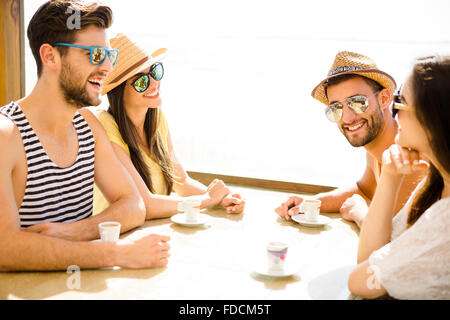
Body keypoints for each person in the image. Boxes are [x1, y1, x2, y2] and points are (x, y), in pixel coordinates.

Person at [0, 0, 169, 271]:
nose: (106, 68)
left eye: (109, 56)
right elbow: (4, 249)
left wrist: (74, 232)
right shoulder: (6, 135)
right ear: (51, 56)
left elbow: (134, 205)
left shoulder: (88, 126)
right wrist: (115, 254)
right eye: (95, 55)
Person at [90, 33, 245, 219]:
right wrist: (207, 200)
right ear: (118, 91)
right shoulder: (106, 126)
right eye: (141, 81)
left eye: (155, 71)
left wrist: (222, 199)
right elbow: (145, 203)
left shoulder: (156, 119)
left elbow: (182, 182)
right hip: (115, 237)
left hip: (150, 233)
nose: (154, 83)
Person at [275, 51, 426, 227]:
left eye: (358, 102)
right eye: (336, 108)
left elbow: (393, 235)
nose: (347, 118)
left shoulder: (407, 156)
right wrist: (310, 203)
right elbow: (363, 191)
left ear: (384, 99)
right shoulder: (376, 149)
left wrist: (359, 212)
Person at [348, 54, 450, 299]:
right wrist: (390, 177)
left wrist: (362, 213)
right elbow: (374, 260)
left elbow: (360, 281)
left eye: (399, 102)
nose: (393, 114)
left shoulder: (445, 216)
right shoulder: (437, 182)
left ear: (431, 116)